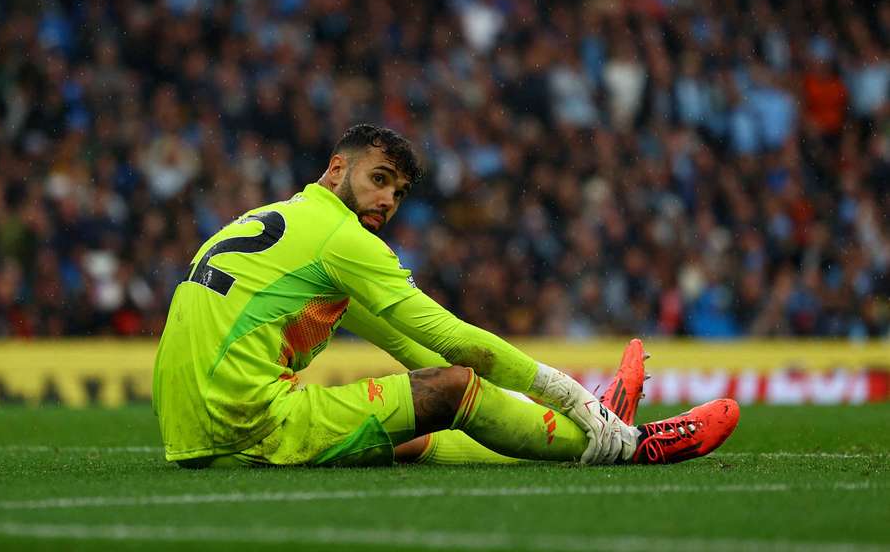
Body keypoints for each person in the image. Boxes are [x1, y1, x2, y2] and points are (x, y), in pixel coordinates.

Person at [153, 124, 739, 469]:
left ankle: (590, 422)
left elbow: (412, 349)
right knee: (455, 388)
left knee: (420, 421)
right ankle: (627, 445)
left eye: (398, 191)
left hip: (185, 429)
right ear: (336, 170)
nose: (386, 200)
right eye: (377, 179)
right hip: (243, 424)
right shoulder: (340, 238)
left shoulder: (282, 220)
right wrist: (569, 394)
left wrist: (545, 407)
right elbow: (451, 342)